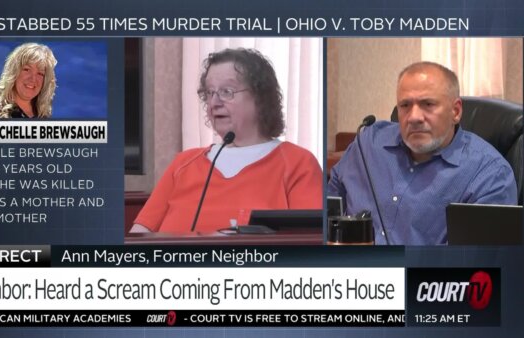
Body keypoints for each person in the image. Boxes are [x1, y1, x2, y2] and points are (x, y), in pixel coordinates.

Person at [132, 48, 323, 233]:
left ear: (260, 97)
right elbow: (138, 236)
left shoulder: (298, 163)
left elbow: (308, 242)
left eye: (227, 91)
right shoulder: (184, 163)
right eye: (209, 93)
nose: (214, 103)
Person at [328, 61, 517, 245]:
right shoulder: (369, 143)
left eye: (428, 104)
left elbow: (471, 264)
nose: (414, 117)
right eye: (405, 105)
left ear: (456, 111)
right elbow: (328, 206)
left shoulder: (489, 174)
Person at [0, 43, 57, 118]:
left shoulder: (43, 116)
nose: (33, 79)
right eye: (27, 69)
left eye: (40, 73)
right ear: (14, 72)